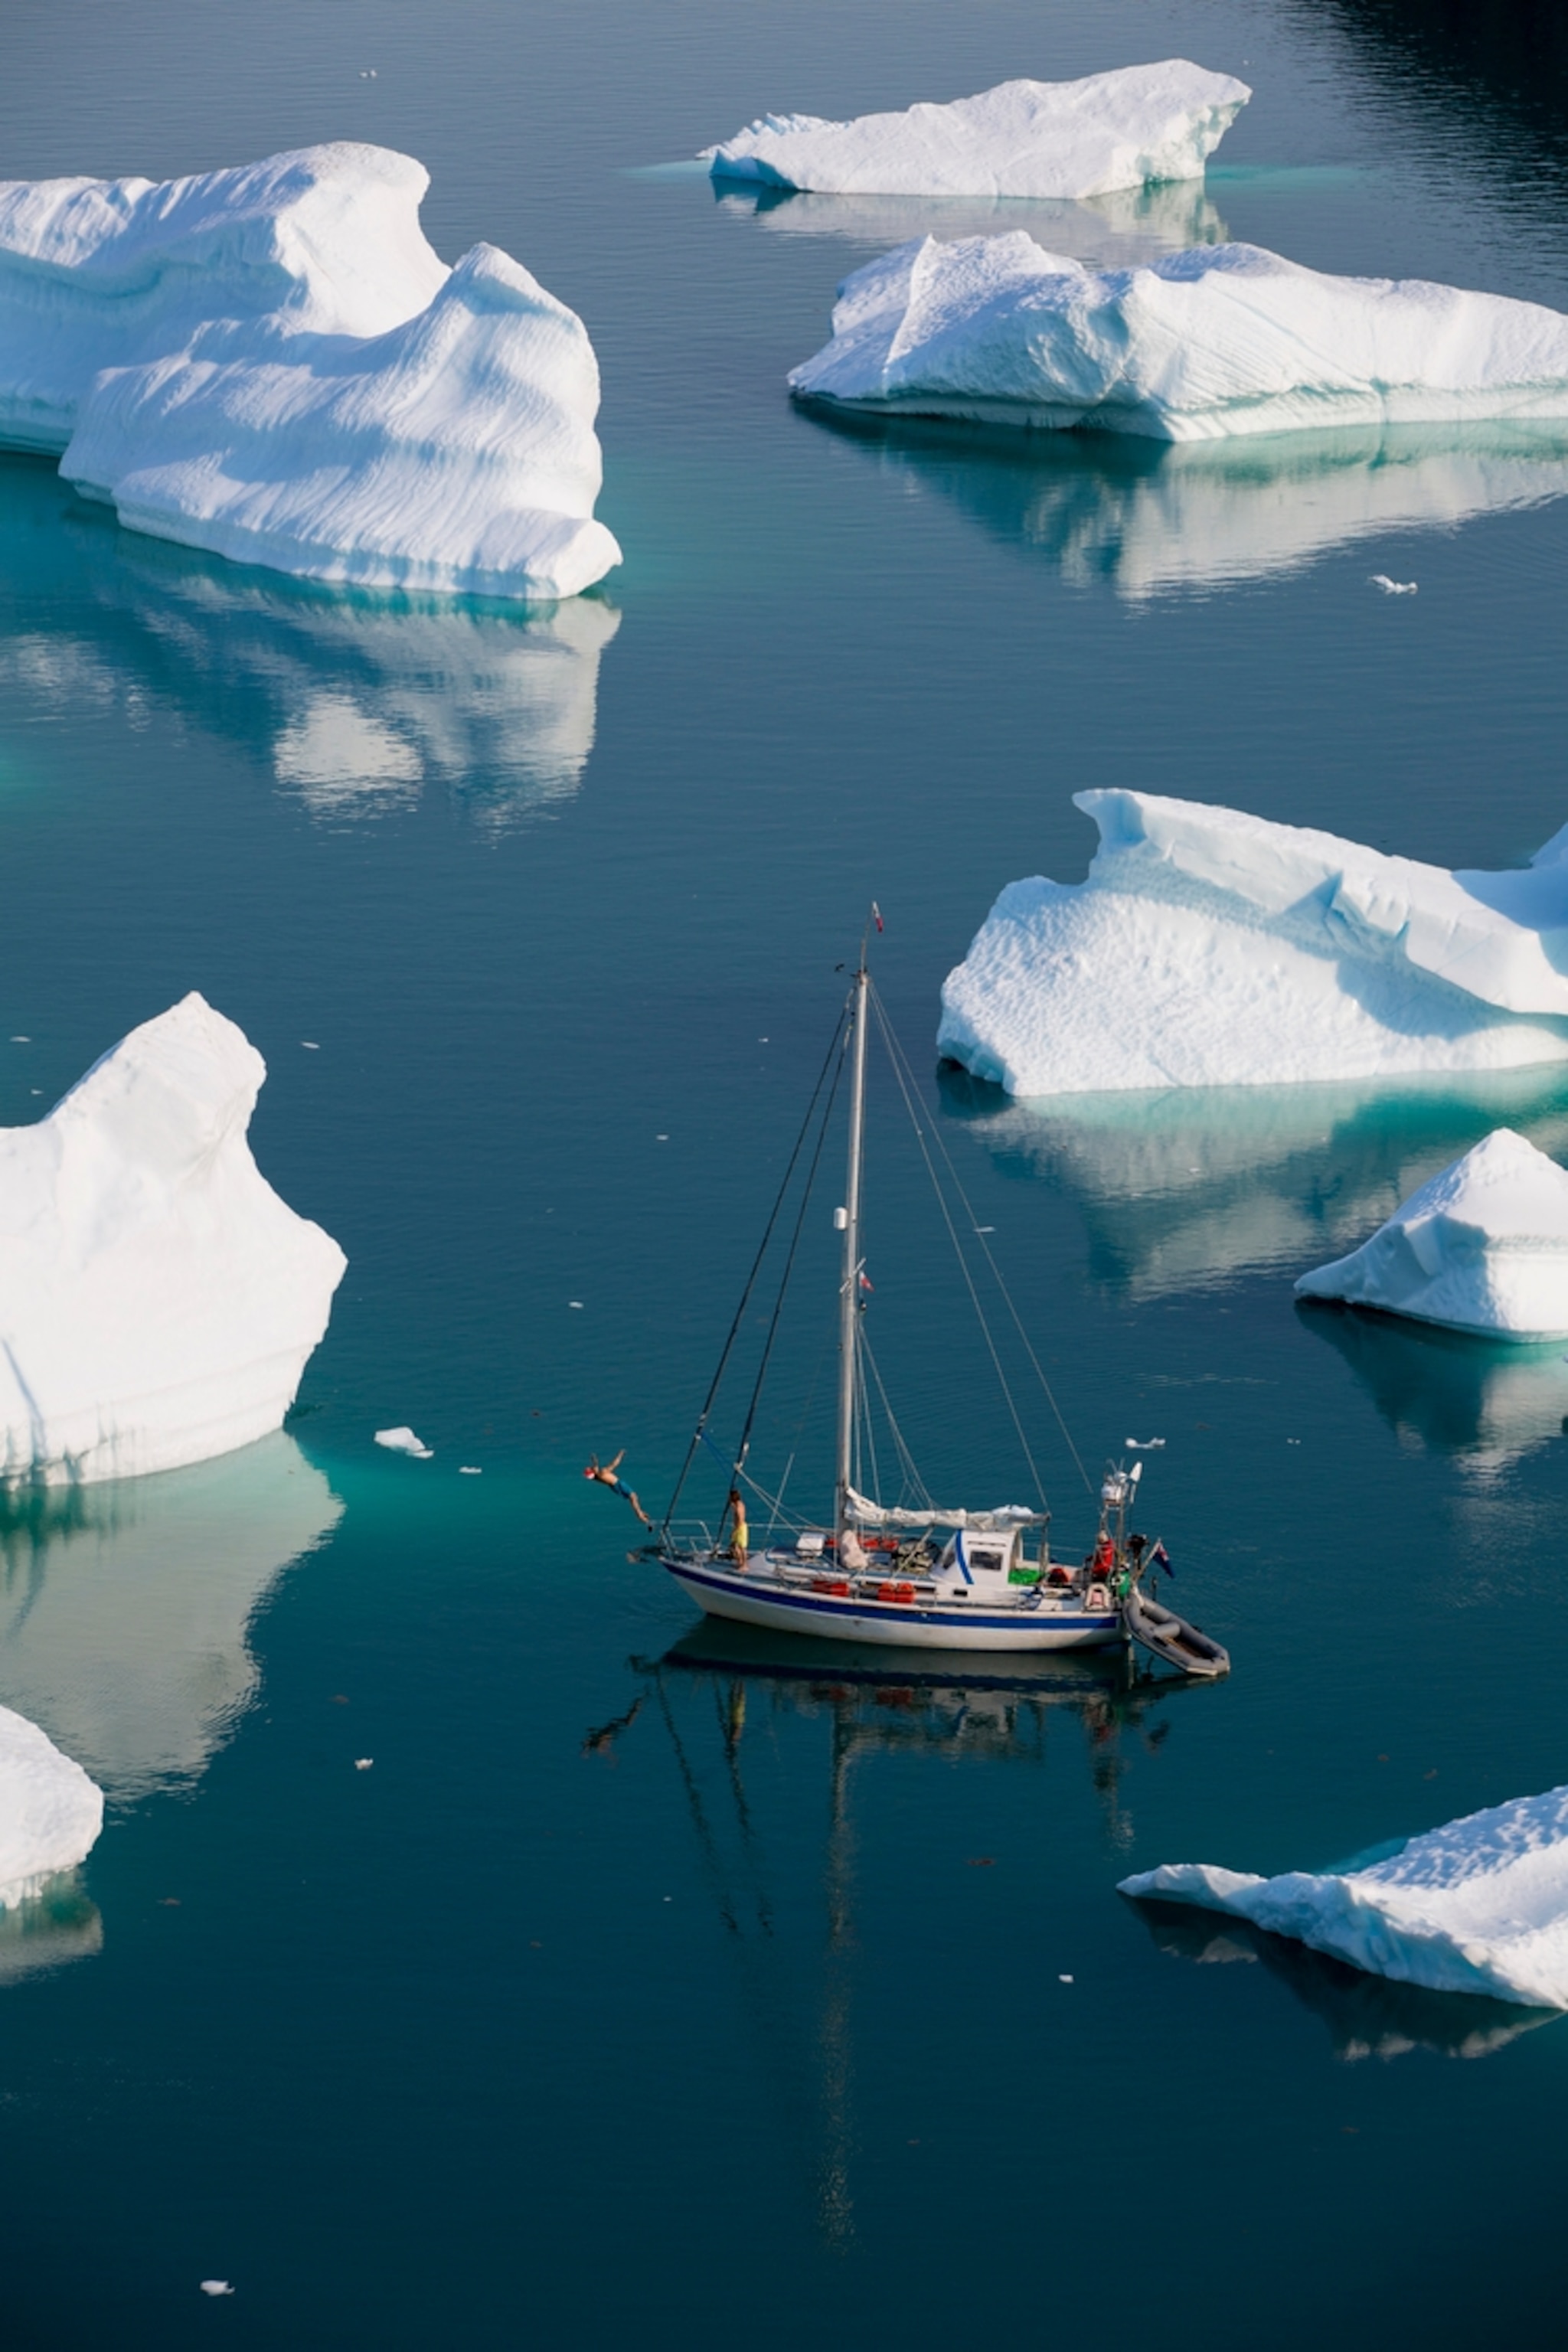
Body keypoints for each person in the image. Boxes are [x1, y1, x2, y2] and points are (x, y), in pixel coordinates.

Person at [584, 1450, 653, 1527]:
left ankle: (644, 1517)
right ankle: (644, 1519)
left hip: (616, 1488)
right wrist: (620, 1454)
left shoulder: (596, 1478)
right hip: (620, 1485)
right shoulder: (603, 1472)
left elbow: (595, 1467)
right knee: (634, 1500)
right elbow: (614, 1464)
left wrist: (594, 1460)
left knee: (634, 1503)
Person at [727, 1488, 750, 1564]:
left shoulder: (738, 1507)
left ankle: (744, 1564)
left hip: (740, 1528)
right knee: (734, 1546)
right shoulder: (739, 1504)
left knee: (741, 1548)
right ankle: (740, 1562)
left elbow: (740, 1520)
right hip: (738, 1527)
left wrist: (734, 1531)